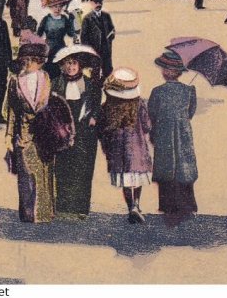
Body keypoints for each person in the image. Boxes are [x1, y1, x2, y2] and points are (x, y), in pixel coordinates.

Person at [5, 40, 58, 223]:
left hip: (44, 132)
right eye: (24, 60)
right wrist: (9, 135)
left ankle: (43, 213)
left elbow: (52, 105)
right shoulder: (15, 81)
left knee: (43, 171)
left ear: (40, 61)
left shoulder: (46, 78)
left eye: (31, 60)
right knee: (26, 172)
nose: (27, 64)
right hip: (24, 132)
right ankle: (28, 213)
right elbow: (11, 110)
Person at [50, 46, 102, 219]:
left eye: (74, 63)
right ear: (62, 66)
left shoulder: (91, 85)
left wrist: (94, 117)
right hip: (62, 132)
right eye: (67, 63)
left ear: (80, 65)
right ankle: (64, 206)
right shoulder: (56, 83)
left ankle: (81, 208)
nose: (71, 67)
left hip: (85, 133)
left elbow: (97, 106)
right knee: (63, 168)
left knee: (83, 169)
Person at [148, 50, 198, 223]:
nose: (165, 71)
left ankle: (176, 206)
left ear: (176, 72)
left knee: (174, 167)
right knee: (179, 167)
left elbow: (152, 113)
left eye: (168, 69)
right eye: (164, 68)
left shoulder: (160, 91)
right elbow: (190, 113)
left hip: (167, 132)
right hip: (178, 132)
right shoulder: (187, 90)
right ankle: (179, 206)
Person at [99, 68, 152, 224]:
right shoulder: (140, 104)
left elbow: (102, 130)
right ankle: (136, 205)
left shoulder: (107, 107)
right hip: (137, 150)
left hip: (117, 152)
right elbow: (147, 125)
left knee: (126, 181)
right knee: (138, 178)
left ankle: (131, 208)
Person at [36, 0, 77, 74]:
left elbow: (70, 33)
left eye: (60, 6)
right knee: (48, 72)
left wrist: (72, 20)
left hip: (61, 49)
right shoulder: (46, 19)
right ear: (50, 6)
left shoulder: (65, 19)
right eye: (55, 6)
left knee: (61, 71)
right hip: (48, 49)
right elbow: (38, 35)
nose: (57, 9)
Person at [81, 0, 115, 80]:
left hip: (106, 50)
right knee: (94, 73)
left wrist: (111, 37)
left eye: (100, 2)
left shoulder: (106, 16)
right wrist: (90, 51)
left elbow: (112, 29)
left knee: (108, 71)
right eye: (96, 2)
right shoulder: (87, 19)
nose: (98, 4)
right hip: (94, 51)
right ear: (91, 3)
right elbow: (83, 38)